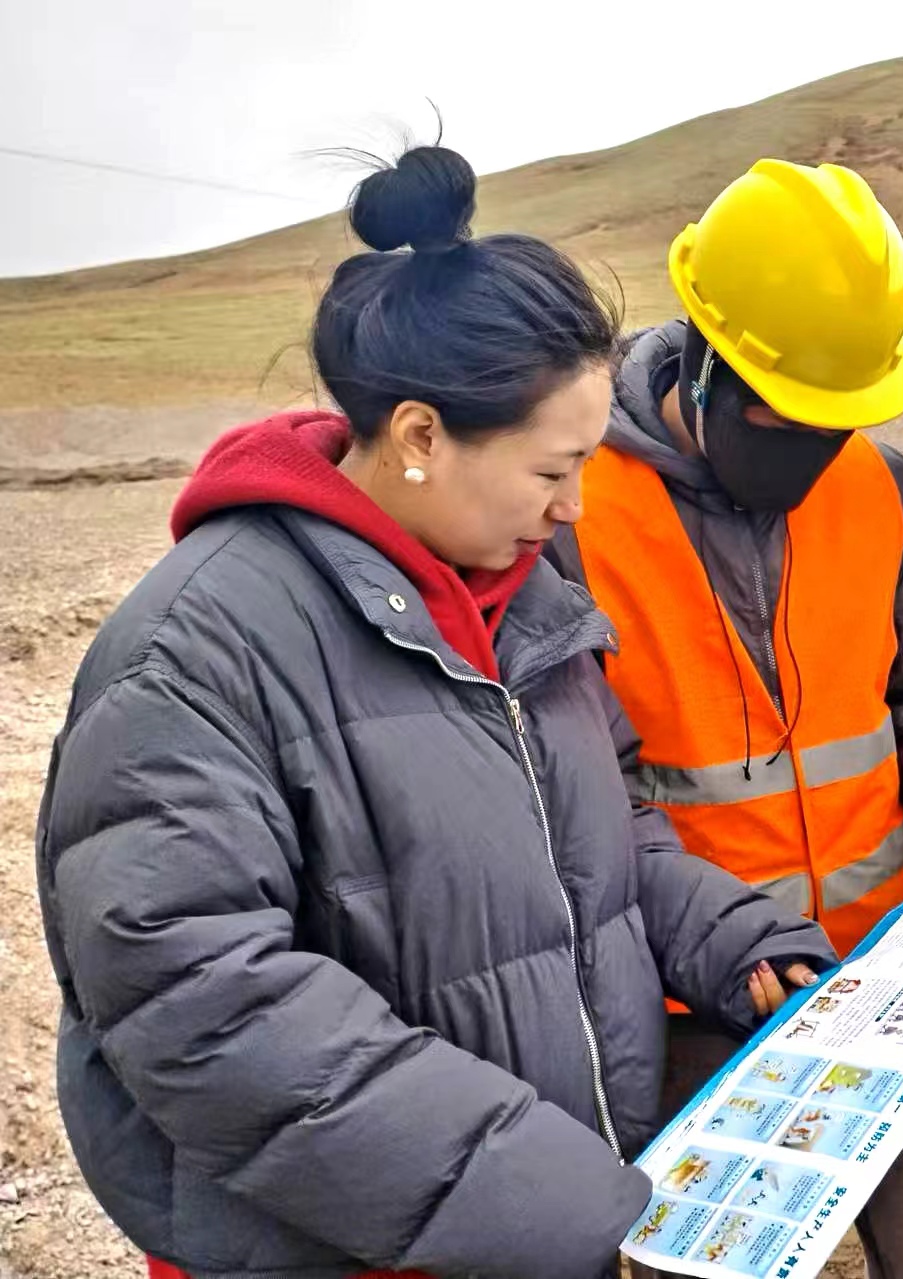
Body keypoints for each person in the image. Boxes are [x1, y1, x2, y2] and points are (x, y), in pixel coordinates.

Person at [34, 145, 837, 1279]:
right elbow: (202, 1002)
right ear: (420, 436)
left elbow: (606, 840)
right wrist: (541, 1193)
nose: (573, 509)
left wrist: (739, 941)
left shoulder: (527, 603)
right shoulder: (195, 650)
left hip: (533, 1227)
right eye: (551, 471)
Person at [552, 159, 903, 1279]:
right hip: (695, 996)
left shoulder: (874, 485)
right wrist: (719, 946)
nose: (814, 449)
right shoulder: (574, 508)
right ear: (705, 359)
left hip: (898, 976)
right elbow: (583, 795)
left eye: (840, 421)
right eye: (787, 419)